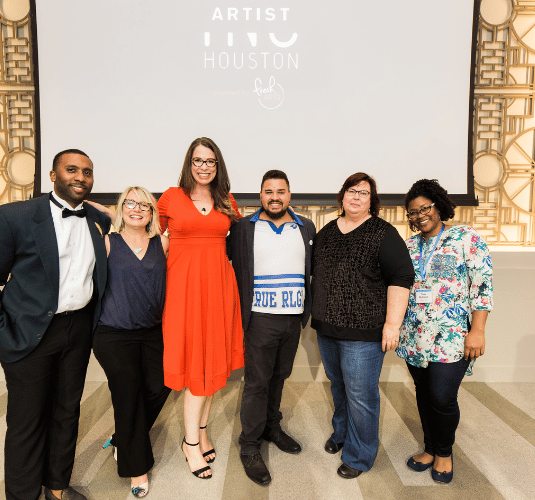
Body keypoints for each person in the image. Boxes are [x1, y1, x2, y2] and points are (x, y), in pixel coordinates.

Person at [0, 149, 111, 500]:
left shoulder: (97, 219)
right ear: (52, 175)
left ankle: (57, 488)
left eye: (87, 172)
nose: (80, 177)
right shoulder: (13, 217)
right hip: (27, 333)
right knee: (26, 424)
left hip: (77, 331)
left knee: (66, 415)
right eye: (72, 169)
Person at [311, 172, 414, 479]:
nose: (356, 197)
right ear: (342, 196)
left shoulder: (383, 233)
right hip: (327, 329)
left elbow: (402, 277)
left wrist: (392, 325)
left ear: (372, 200)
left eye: (364, 193)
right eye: (351, 191)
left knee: (361, 395)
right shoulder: (327, 232)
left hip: (365, 333)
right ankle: (342, 434)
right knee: (339, 387)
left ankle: (359, 456)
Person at [157, 137, 244, 479]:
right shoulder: (171, 197)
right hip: (183, 291)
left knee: (212, 364)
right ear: (188, 163)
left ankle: (202, 431)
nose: (204, 166)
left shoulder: (226, 200)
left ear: (217, 166)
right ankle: (190, 444)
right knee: (197, 367)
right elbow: (156, 243)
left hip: (219, 290)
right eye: (198, 160)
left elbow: (238, 242)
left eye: (210, 161)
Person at [396, 179, 493, 484]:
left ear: (438, 206)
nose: (419, 215)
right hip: (414, 335)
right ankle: (429, 447)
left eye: (424, 207)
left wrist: (477, 330)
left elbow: (482, 286)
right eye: (413, 212)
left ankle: (444, 451)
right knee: (424, 394)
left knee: (441, 395)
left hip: (451, 337)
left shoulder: (466, 238)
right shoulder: (409, 247)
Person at [228, 170, 316, 485]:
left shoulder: (306, 226)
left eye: (281, 191)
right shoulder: (242, 228)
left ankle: (271, 427)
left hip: (292, 318)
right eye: (269, 191)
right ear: (260, 194)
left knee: (279, 377)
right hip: (259, 318)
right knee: (256, 383)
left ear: (289, 195)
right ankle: (249, 446)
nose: (275, 197)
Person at [92, 186, 171, 497]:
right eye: (130, 204)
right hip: (113, 333)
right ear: (121, 208)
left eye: (145, 205)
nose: (137, 209)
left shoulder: (161, 243)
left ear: (152, 213)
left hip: (152, 332)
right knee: (128, 393)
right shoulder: (108, 243)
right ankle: (136, 467)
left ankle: (123, 436)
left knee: (161, 385)